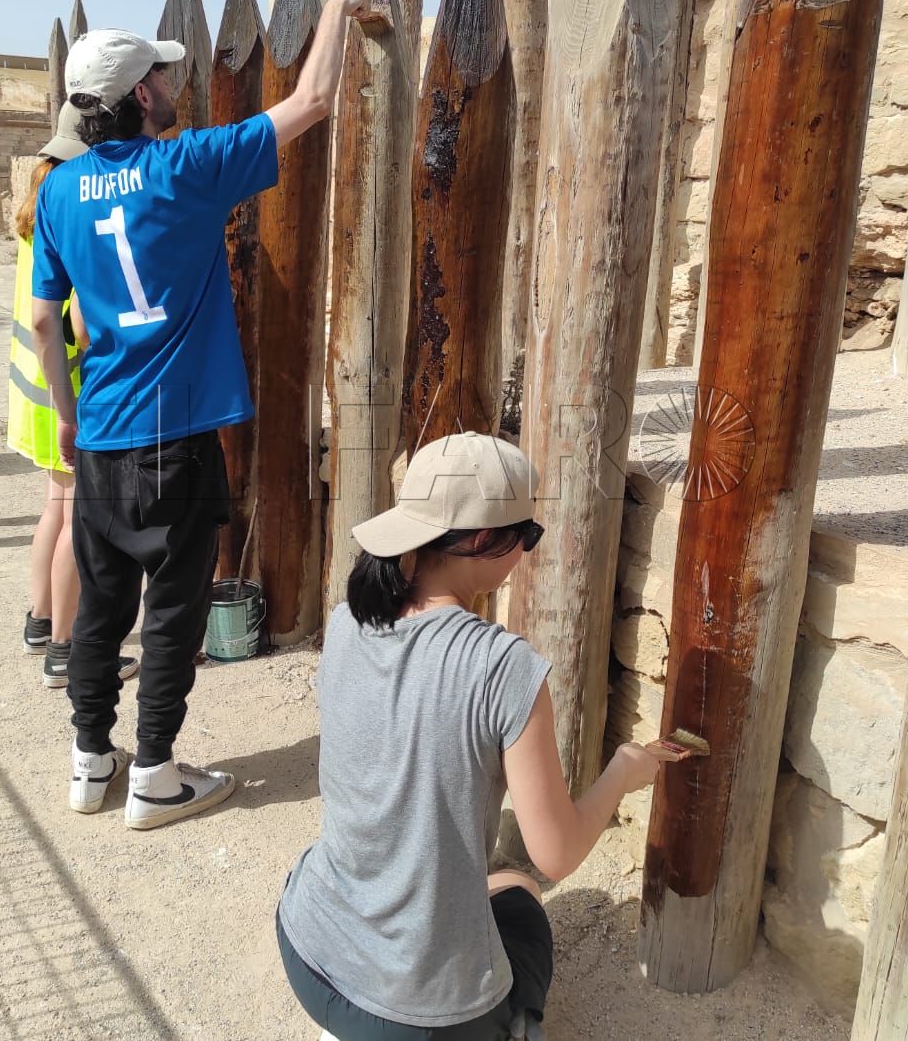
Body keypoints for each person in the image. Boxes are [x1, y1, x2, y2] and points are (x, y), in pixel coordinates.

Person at [31, 0, 371, 828]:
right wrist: (339, 9)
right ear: (140, 95)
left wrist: (67, 412)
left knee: (103, 608)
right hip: (175, 439)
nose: (171, 84)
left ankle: (88, 760)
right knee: (176, 606)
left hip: (103, 435)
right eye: (160, 74)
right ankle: (153, 773)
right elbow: (315, 100)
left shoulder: (58, 191)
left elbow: (44, 317)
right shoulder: (183, 166)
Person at [276, 433, 695, 1041]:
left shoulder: (348, 617)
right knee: (524, 899)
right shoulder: (503, 667)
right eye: (528, 537)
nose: (528, 552)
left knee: (499, 884)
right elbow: (557, 853)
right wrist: (623, 773)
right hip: (417, 1015)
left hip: (308, 945)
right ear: (483, 542)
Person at [9, 104, 137, 690]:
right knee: (78, 522)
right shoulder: (74, 218)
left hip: (34, 389)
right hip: (69, 389)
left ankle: (40, 619)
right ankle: (65, 647)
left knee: (54, 508)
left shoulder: (34, 219)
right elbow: (81, 328)